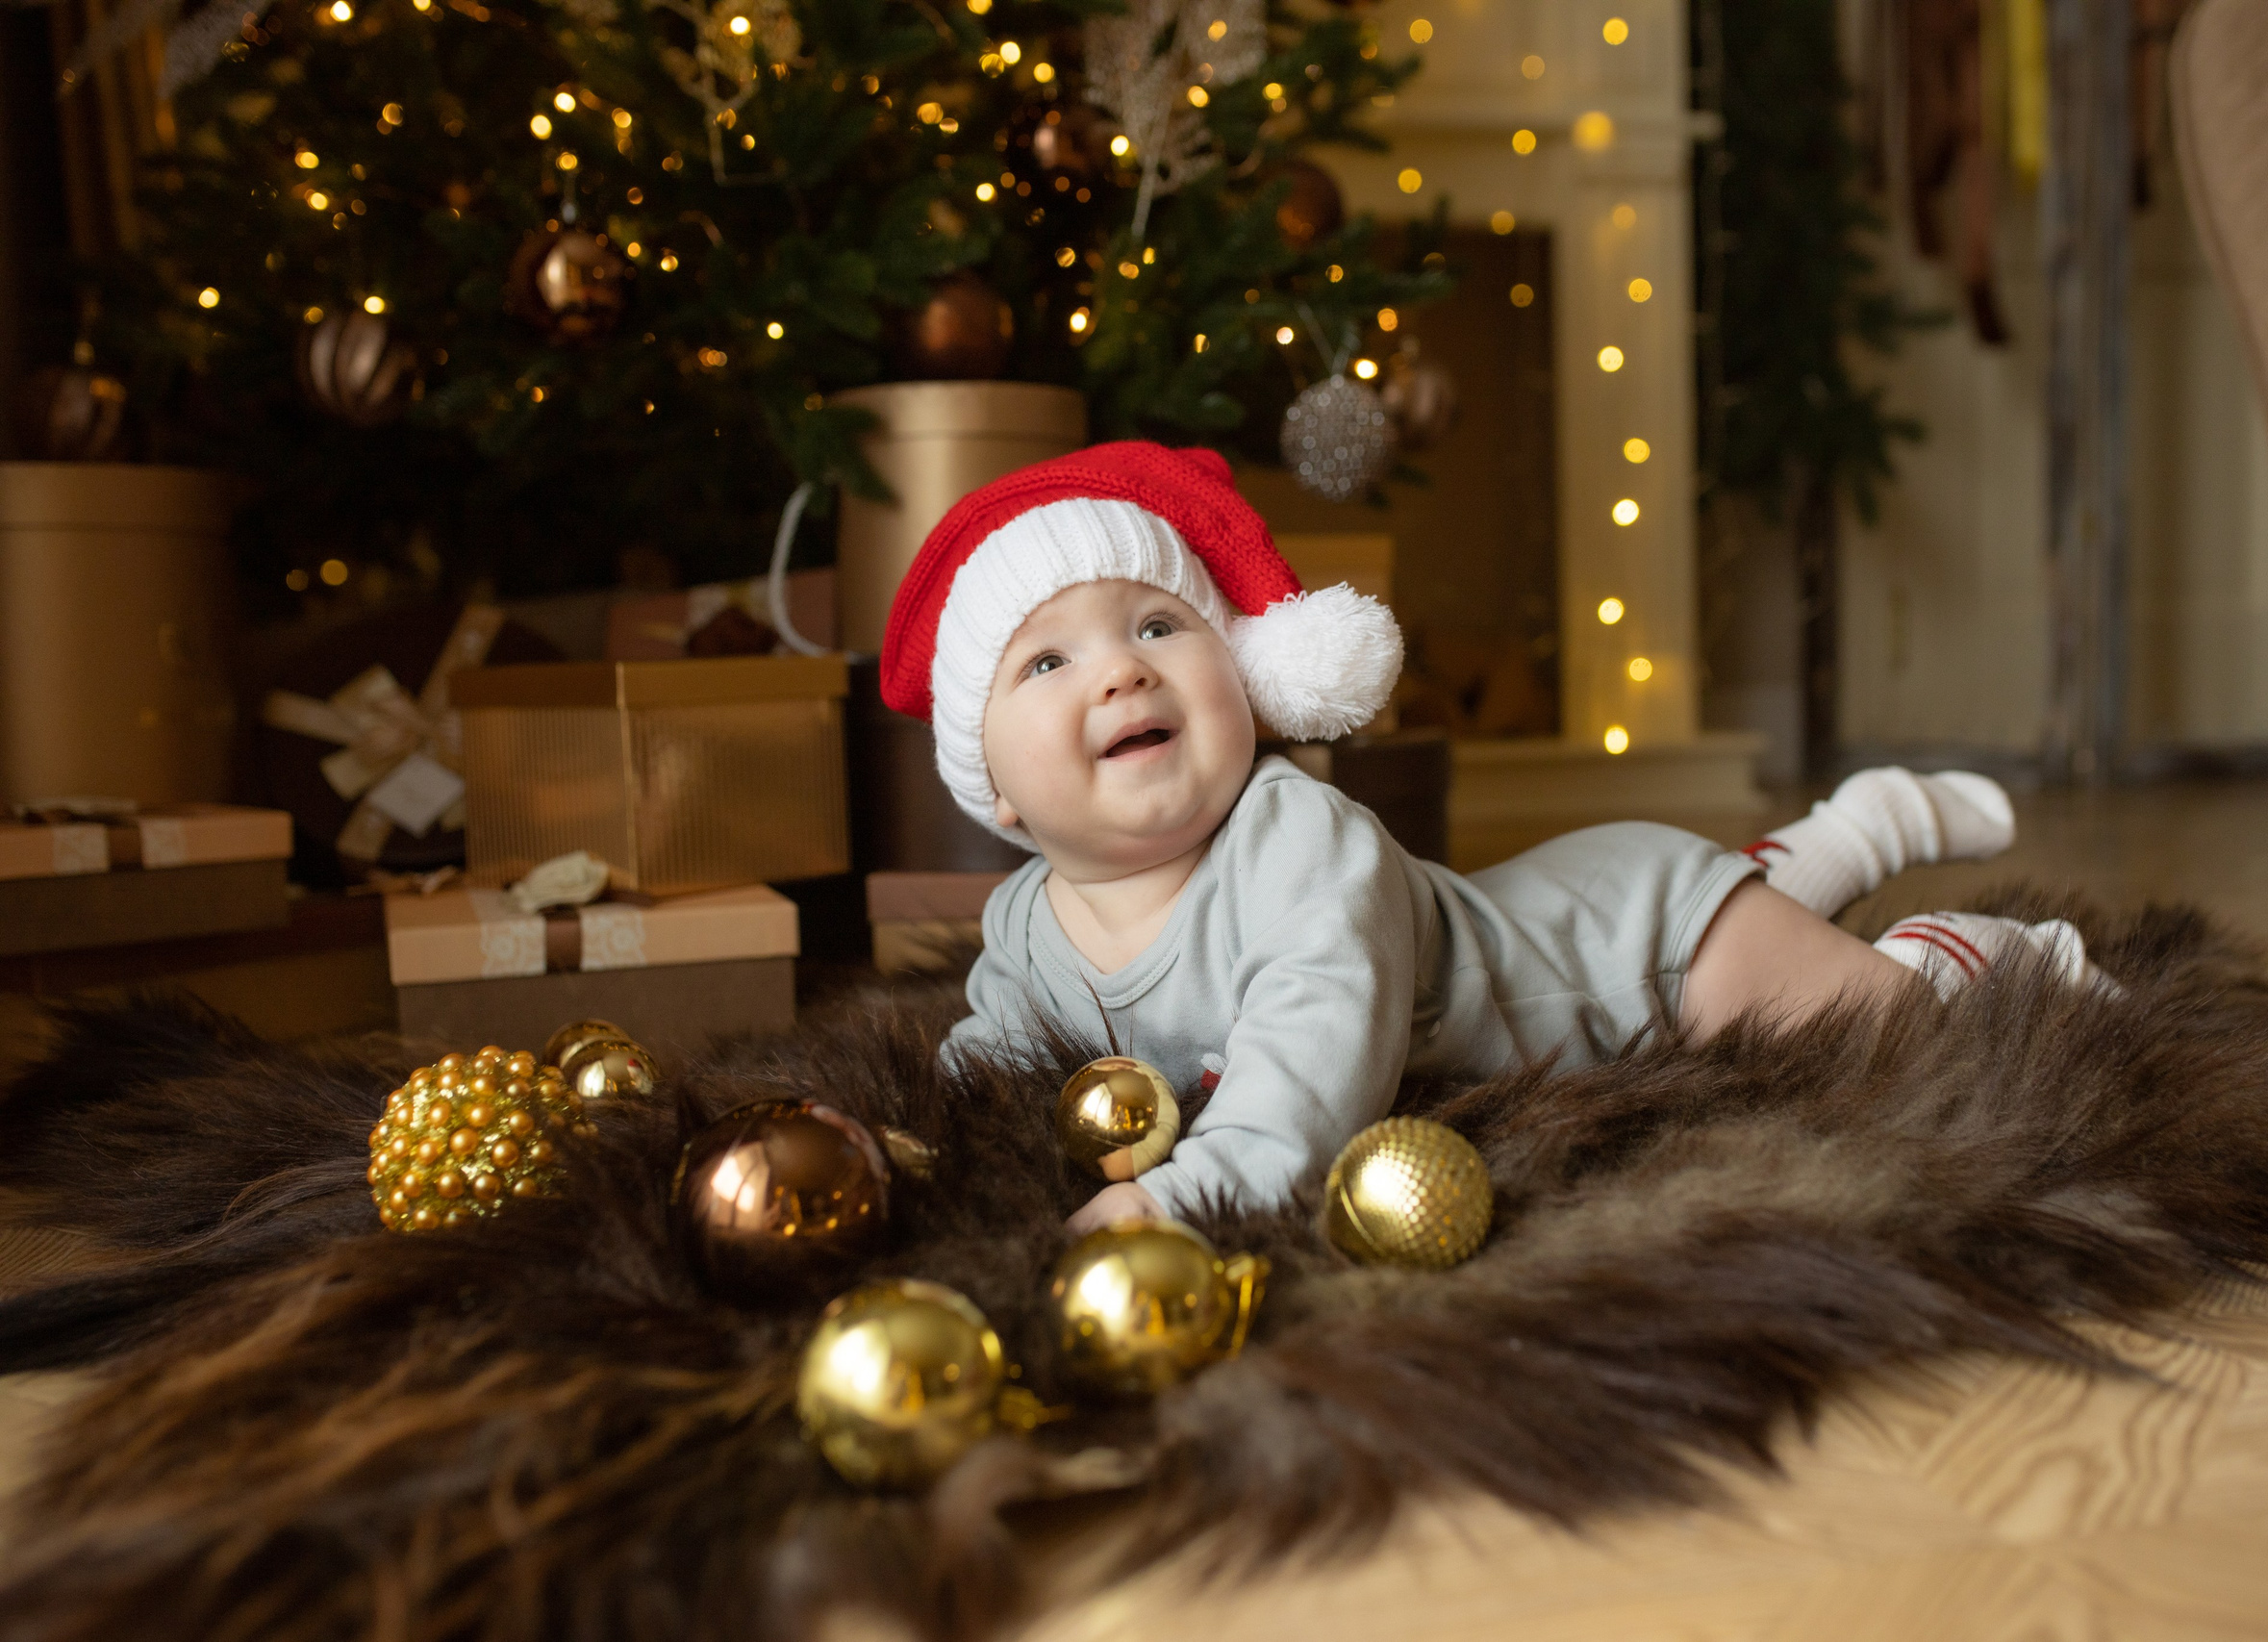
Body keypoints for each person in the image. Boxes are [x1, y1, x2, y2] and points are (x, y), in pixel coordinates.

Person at [877, 442, 2104, 1235]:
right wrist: (923, 1128)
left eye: (1156, 624)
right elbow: (995, 1051)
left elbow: (1309, 1069)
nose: (1118, 675)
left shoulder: (1297, 840)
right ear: (997, 792)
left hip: (1645, 945)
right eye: (1047, 660)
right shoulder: (1025, 923)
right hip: (1569, 901)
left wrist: (1183, 1198)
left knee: (1880, 1029)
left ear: (1245, 682)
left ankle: (1991, 949)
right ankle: (1836, 838)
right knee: (1765, 910)